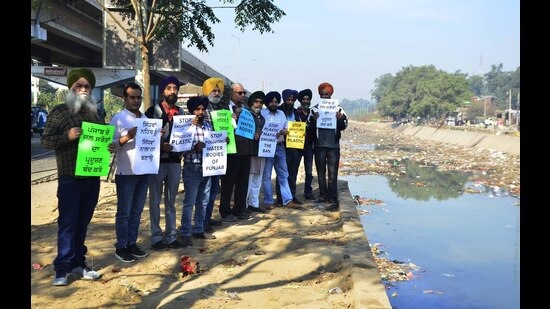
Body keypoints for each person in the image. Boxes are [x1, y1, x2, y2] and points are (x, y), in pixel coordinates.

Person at [41, 68, 103, 286]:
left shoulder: (96, 113)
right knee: (68, 223)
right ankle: (62, 269)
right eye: (79, 85)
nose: (83, 90)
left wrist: (109, 146)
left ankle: (78, 263)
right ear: (71, 87)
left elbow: (101, 142)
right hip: (69, 178)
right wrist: (67, 137)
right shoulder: (59, 112)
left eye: (87, 86)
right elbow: (46, 140)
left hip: (92, 177)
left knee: (83, 222)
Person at [109, 82, 150, 263]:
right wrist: (126, 138)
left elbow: (152, 145)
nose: (135, 100)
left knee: (137, 211)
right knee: (124, 212)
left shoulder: (147, 120)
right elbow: (110, 146)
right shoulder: (118, 119)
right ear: (124, 99)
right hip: (126, 173)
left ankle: (132, 242)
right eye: (132, 97)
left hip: (145, 171)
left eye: (138, 97)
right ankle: (121, 246)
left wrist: (159, 137)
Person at [145, 75, 185, 250]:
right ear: (163, 91)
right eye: (169, 88)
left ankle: (171, 236)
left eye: (175, 88)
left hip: (175, 162)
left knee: (171, 201)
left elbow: (186, 136)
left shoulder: (182, 114)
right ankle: (155, 237)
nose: (173, 91)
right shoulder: (151, 112)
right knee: (154, 200)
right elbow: (145, 137)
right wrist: (160, 144)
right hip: (157, 162)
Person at [179, 96, 216, 248]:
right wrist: (194, 148)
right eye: (197, 109)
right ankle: (185, 233)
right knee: (189, 202)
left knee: (203, 202)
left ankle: (199, 229)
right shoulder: (186, 127)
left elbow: (214, 142)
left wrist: (222, 141)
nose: (200, 112)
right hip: (191, 167)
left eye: (202, 109)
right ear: (191, 111)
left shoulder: (208, 126)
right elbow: (179, 148)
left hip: (207, 167)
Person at [310, 82, 348, 211]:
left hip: (333, 146)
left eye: (327, 94)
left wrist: (340, 119)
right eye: (322, 94)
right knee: (321, 172)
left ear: (331, 94)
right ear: (319, 95)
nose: (325, 96)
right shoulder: (314, 109)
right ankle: (322, 195)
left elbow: (344, 126)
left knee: (333, 173)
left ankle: (332, 196)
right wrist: (314, 120)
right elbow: (309, 128)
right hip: (319, 145)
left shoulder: (339, 109)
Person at [219, 83, 253, 221]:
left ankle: (240, 209)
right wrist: (231, 119)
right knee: (228, 183)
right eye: (240, 93)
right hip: (231, 151)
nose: (243, 95)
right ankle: (225, 211)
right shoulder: (224, 108)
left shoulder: (247, 110)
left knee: (243, 181)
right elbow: (220, 126)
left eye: (244, 93)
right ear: (232, 93)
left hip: (245, 150)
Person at [261, 91, 300, 210]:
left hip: (280, 147)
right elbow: (260, 128)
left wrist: (284, 132)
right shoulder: (262, 113)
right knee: (267, 175)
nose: (274, 103)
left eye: (276, 102)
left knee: (283, 174)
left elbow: (287, 128)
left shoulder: (281, 113)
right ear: (267, 103)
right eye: (272, 101)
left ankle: (287, 200)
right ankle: (268, 201)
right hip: (267, 146)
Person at [201, 77, 228, 231]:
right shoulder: (202, 108)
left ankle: (208, 217)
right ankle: (202, 222)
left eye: (219, 91)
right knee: (206, 190)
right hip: (206, 155)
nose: (217, 93)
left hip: (218, 155)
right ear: (207, 91)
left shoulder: (220, 110)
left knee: (213, 190)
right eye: (214, 90)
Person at [275, 89, 303, 206]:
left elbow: (300, 126)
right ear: (284, 100)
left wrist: (302, 133)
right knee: (282, 173)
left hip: (294, 146)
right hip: (282, 145)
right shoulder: (279, 111)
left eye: (292, 100)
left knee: (293, 172)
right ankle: (280, 198)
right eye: (288, 100)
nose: (290, 102)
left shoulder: (296, 113)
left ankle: (292, 196)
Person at [245, 91, 268, 213]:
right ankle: (244, 204)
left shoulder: (263, 118)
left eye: (260, 102)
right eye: (256, 102)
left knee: (258, 178)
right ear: (251, 103)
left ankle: (254, 203)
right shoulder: (246, 115)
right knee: (249, 178)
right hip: (250, 151)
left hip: (261, 151)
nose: (258, 104)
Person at [296, 89, 316, 200]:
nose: (305, 101)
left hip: (309, 145)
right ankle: (292, 193)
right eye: (303, 99)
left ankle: (308, 192)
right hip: (297, 145)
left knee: (309, 171)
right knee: (294, 170)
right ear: (300, 101)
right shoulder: (295, 113)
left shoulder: (313, 114)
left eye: (307, 99)